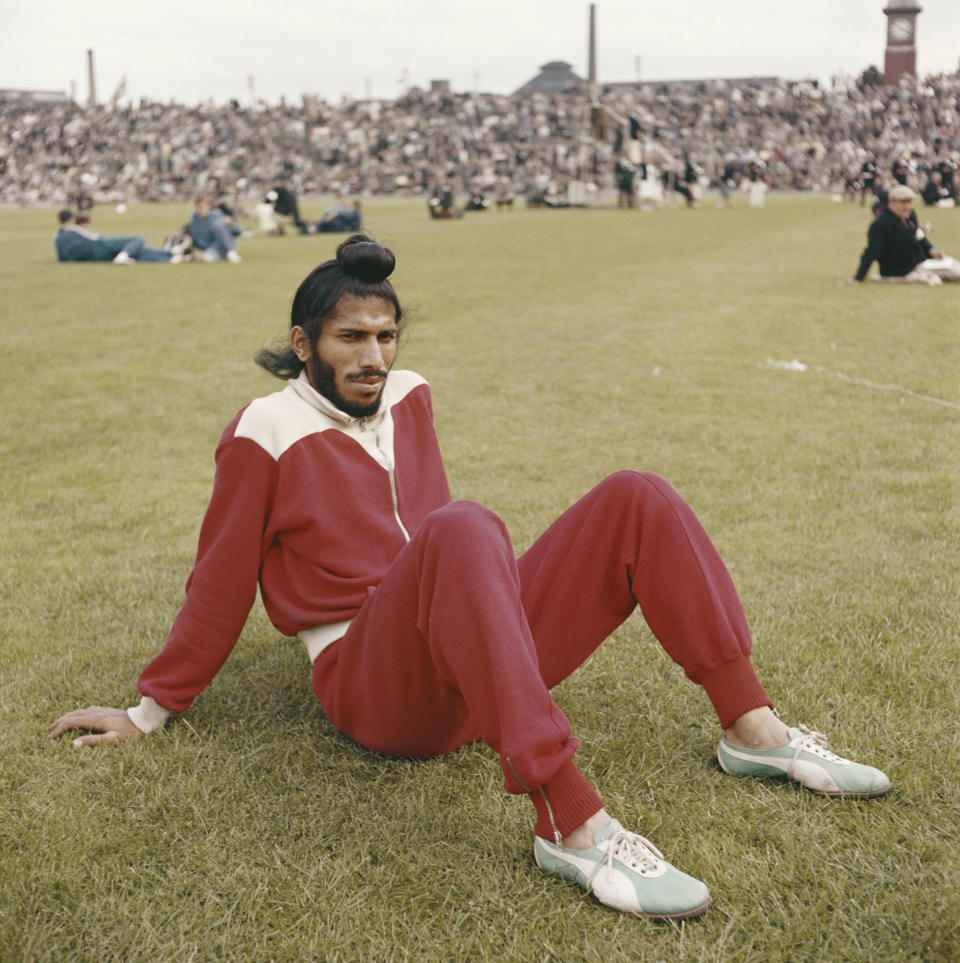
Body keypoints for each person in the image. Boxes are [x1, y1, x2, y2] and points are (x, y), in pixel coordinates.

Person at [50, 235, 891, 922]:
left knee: (637, 496)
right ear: (305, 344)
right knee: (467, 524)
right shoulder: (262, 428)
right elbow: (221, 577)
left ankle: (753, 730)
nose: (373, 355)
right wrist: (152, 707)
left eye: (385, 335)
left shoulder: (410, 394)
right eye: (351, 338)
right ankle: (567, 817)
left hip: (467, 643)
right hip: (374, 683)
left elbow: (427, 530)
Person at [849, 184, 960, 285]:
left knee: (953, 265)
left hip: (922, 262)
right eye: (903, 202)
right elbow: (871, 252)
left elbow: (919, 236)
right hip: (902, 270)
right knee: (951, 272)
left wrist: (932, 251)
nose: (907, 206)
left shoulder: (910, 216)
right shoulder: (881, 224)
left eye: (909, 202)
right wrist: (859, 277)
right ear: (891, 202)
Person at [54, 209, 178, 264]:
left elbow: (61, 258)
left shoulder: (58, 237)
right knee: (137, 240)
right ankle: (123, 256)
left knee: (137, 252)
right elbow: (92, 238)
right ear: (72, 219)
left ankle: (170, 256)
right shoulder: (73, 230)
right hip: (99, 247)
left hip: (93, 257)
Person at [187, 197, 243, 263]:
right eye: (200, 207)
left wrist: (232, 224)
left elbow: (238, 230)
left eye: (204, 206)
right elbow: (195, 238)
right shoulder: (194, 220)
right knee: (207, 257)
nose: (202, 209)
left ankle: (231, 252)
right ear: (196, 208)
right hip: (209, 248)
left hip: (222, 244)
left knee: (219, 224)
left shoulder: (216, 215)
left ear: (208, 207)